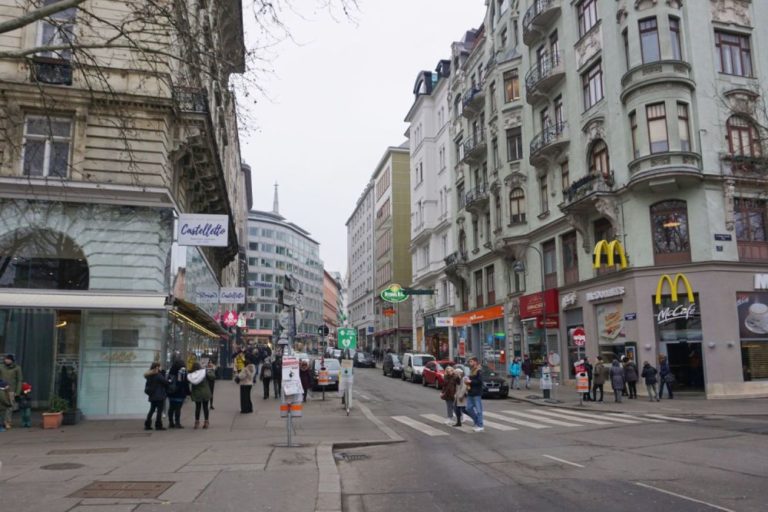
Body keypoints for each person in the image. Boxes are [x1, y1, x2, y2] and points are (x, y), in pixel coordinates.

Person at [189, 362, 215, 429]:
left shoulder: (192, 374)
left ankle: (196, 422)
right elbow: (212, 377)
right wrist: (209, 370)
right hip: (205, 392)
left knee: (197, 408)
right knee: (205, 407)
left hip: (197, 393)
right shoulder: (204, 373)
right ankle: (206, 422)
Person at [143, 362, 168, 431]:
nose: (160, 368)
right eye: (159, 366)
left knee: (151, 410)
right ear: (157, 367)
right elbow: (165, 382)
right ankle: (158, 425)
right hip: (159, 396)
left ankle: (147, 424)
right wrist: (163, 374)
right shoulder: (158, 375)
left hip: (152, 395)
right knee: (159, 411)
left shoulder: (149, 375)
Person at [0, 354, 22, 429]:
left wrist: (18, 391)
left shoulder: (17, 368)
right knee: (1, 406)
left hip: (11, 390)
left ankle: (7, 422)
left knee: (9, 407)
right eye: (6, 359)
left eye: (8, 359)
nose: (6, 360)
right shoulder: (1, 367)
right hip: (1, 390)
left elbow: (19, 380)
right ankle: (1, 422)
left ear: (12, 360)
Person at [167, 360, 189, 429]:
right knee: (178, 409)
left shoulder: (171, 372)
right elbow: (185, 383)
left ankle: (171, 422)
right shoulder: (182, 373)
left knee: (171, 408)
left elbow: (168, 382)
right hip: (179, 393)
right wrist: (188, 392)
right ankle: (177, 423)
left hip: (171, 393)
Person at [464, 357, 484, 432]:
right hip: (470, 392)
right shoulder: (472, 370)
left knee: (479, 410)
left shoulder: (479, 370)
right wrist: (466, 380)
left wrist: (470, 381)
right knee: (468, 409)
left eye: (471, 361)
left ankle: (480, 425)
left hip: (476, 393)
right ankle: (477, 421)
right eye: (469, 362)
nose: (470, 363)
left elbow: (480, 381)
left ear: (475, 362)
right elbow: (471, 379)